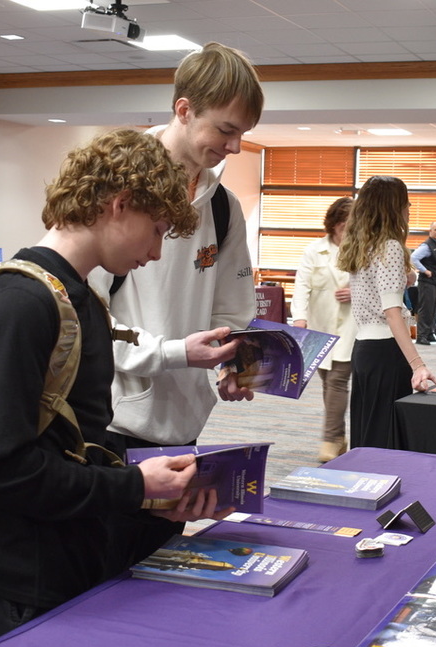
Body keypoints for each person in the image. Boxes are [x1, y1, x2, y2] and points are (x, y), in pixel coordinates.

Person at [0, 129, 230, 647]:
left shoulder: (80, 298)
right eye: (157, 230)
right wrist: (136, 487)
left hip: (67, 554)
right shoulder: (18, 303)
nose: (157, 252)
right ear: (119, 205)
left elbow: (74, 445)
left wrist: (154, 495)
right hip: (19, 577)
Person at [91, 42, 265, 452]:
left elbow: (230, 309)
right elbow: (84, 318)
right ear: (184, 111)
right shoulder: (116, 189)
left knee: (170, 519)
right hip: (111, 418)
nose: (236, 147)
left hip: (186, 418)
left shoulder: (223, 206)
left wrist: (231, 364)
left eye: (242, 133)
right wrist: (172, 353)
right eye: (226, 130)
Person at [337, 176, 436, 449]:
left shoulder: (362, 246)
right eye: (404, 202)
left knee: (367, 433)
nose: (408, 207)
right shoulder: (390, 247)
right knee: (385, 438)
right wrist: (418, 364)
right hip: (386, 350)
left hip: (364, 349)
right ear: (393, 207)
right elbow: (392, 312)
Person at [291, 197, 356, 462]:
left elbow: (379, 284)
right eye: (343, 226)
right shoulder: (314, 250)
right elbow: (302, 286)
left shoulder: (363, 250)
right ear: (334, 225)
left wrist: (356, 291)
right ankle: (340, 437)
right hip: (320, 326)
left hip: (351, 325)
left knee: (338, 381)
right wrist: (299, 318)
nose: (347, 232)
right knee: (328, 381)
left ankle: (329, 440)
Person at [411, 221, 436, 345]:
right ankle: (421, 336)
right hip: (427, 283)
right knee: (426, 310)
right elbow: (413, 258)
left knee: (434, 310)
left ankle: (430, 333)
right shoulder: (427, 246)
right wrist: (425, 271)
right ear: (430, 232)